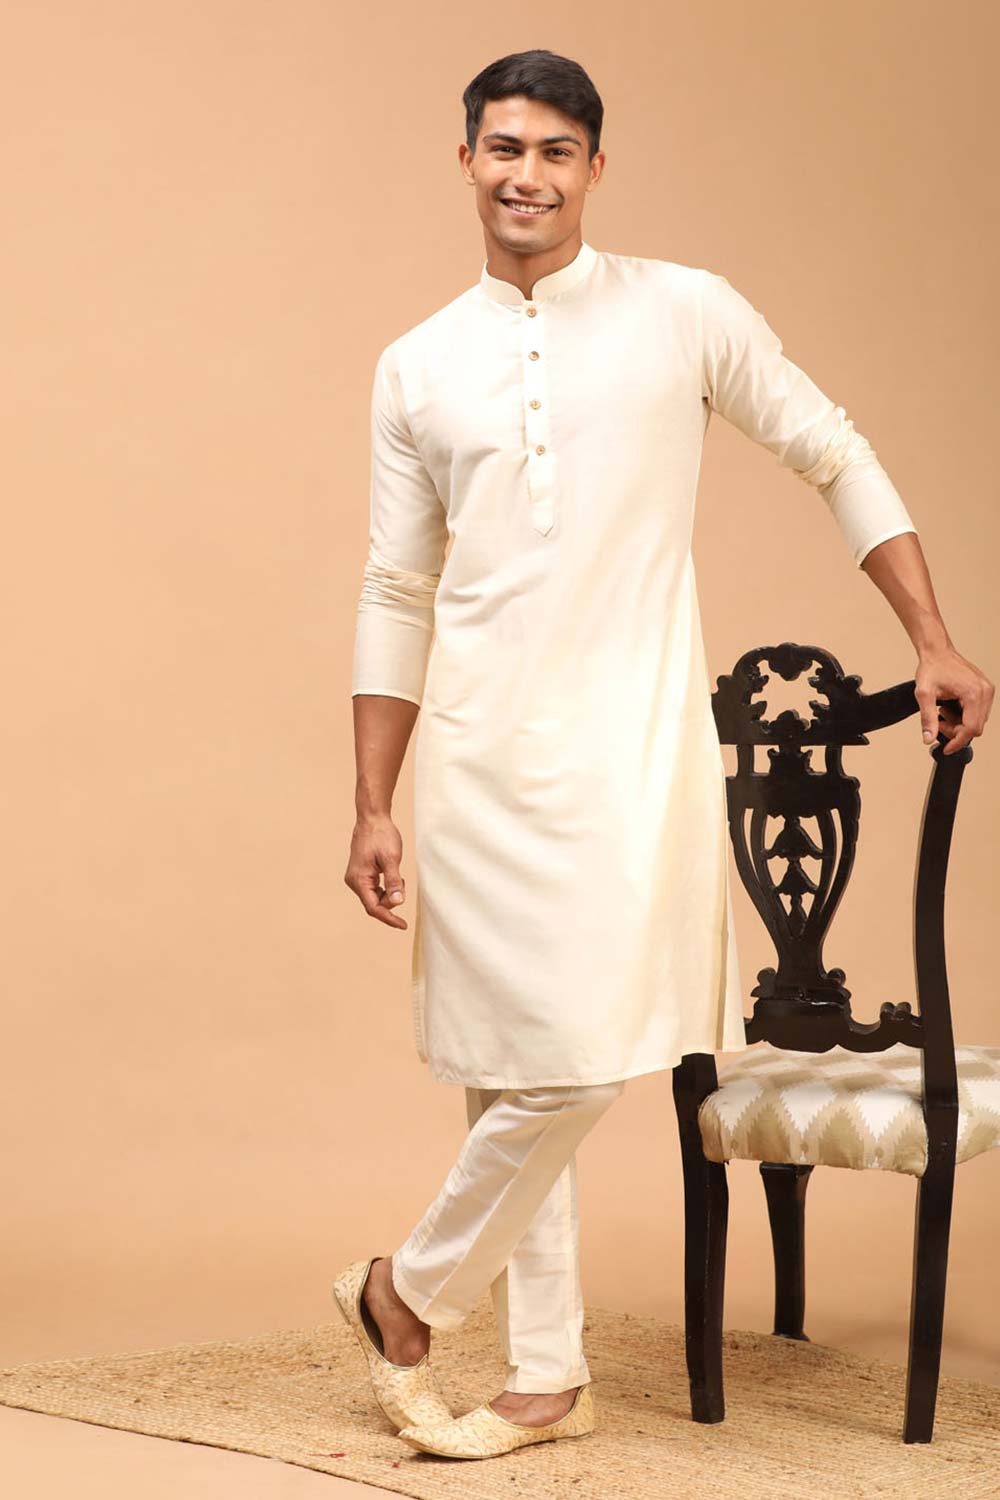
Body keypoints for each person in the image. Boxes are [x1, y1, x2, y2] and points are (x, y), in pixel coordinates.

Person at [337, 49, 994, 1461]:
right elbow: (396, 588)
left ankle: (408, 1292)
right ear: (467, 159)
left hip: (632, 755)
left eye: (554, 150)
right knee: (517, 1064)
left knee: (576, 1060)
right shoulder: (417, 364)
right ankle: (545, 1377)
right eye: (503, 147)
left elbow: (832, 449)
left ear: (594, 166)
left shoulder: (684, 311)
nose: (526, 175)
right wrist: (372, 799)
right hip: (476, 761)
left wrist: (932, 635)